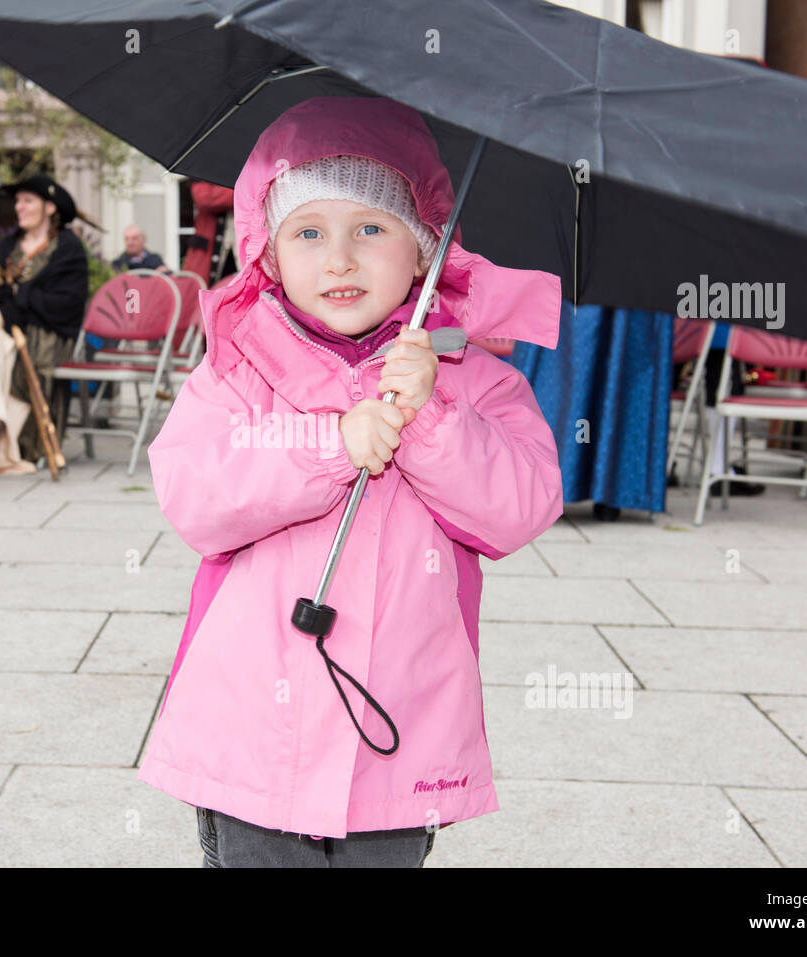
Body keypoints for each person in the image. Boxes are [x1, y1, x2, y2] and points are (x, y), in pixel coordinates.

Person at [138, 96, 564, 867]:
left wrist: (430, 416)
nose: (339, 259)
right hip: (251, 741)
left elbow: (520, 506)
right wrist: (330, 447)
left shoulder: (468, 379)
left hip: (394, 734)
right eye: (308, 233)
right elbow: (197, 496)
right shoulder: (236, 372)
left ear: (426, 247)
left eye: (371, 228)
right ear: (267, 253)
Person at [0, 174, 89, 473]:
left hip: (45, 337)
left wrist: (19, 296)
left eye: (27, 201)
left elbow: (65, 308)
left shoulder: (68, 250)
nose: (19, 207)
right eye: (18, 201)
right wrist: (14, 300)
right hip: (0, 334)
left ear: (49, 208)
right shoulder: (4, 248)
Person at [508, 302, 675, 521]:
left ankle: (587, 485)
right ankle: (594, 487)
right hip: (596, 293)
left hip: (611, 293)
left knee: (586, 376)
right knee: (573, 377)